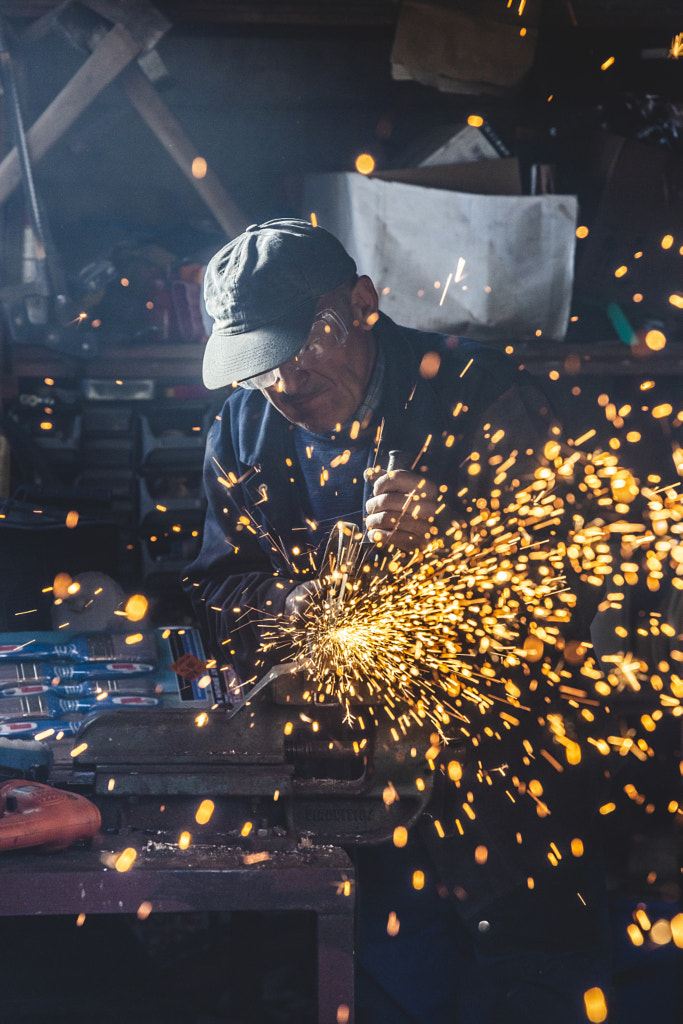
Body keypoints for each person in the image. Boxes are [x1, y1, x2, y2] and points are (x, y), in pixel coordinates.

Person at [184, 218, 612, 1023]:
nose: (285, 384)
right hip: (342, 785)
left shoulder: (483, 393)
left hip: (499, 780)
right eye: (260, 367)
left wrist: (452, 538)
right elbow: (213, 591)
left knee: (525, 980)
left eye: (303, 349)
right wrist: (293, 605)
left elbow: (574, 578)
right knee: (376, 978)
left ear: (360, 306)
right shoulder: (245, 429)